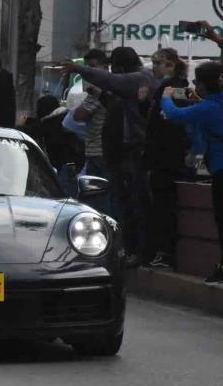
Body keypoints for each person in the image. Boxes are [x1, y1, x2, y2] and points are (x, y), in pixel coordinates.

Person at [63, 47, 159, 267]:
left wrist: (78, 68)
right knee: (124, 204)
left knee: (135, 205)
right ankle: (127, 249)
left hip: (136, 152)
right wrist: (101, 95)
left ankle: (138, 251)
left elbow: (110, 80)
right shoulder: (134, 82)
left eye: (114, 65)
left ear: (121, 66)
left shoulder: (139, 78)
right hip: (123, 152)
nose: (112, 70)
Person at [160, 61, 223, 284]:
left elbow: (174, 114)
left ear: (204, 85)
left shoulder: (206, 108)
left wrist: (166, 95)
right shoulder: (210, 105)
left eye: (197, 82)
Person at [144, 48, 190, 270]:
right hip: (164, 157)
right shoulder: (168, 87)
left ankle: (165, 253)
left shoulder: (171, 88)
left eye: (158, 63)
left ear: (170, 65)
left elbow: (165, 125)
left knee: (163, 207)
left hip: (165, 158)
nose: (154, 67)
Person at [73, 50, 110, 210]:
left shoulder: (100, 90)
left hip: (100, 151)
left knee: (97, 200)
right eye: (87, 67)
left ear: (105, 67)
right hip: (97, 150)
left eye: (93, 67)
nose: (89, 71)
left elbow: (79, 114)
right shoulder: (100, 89)